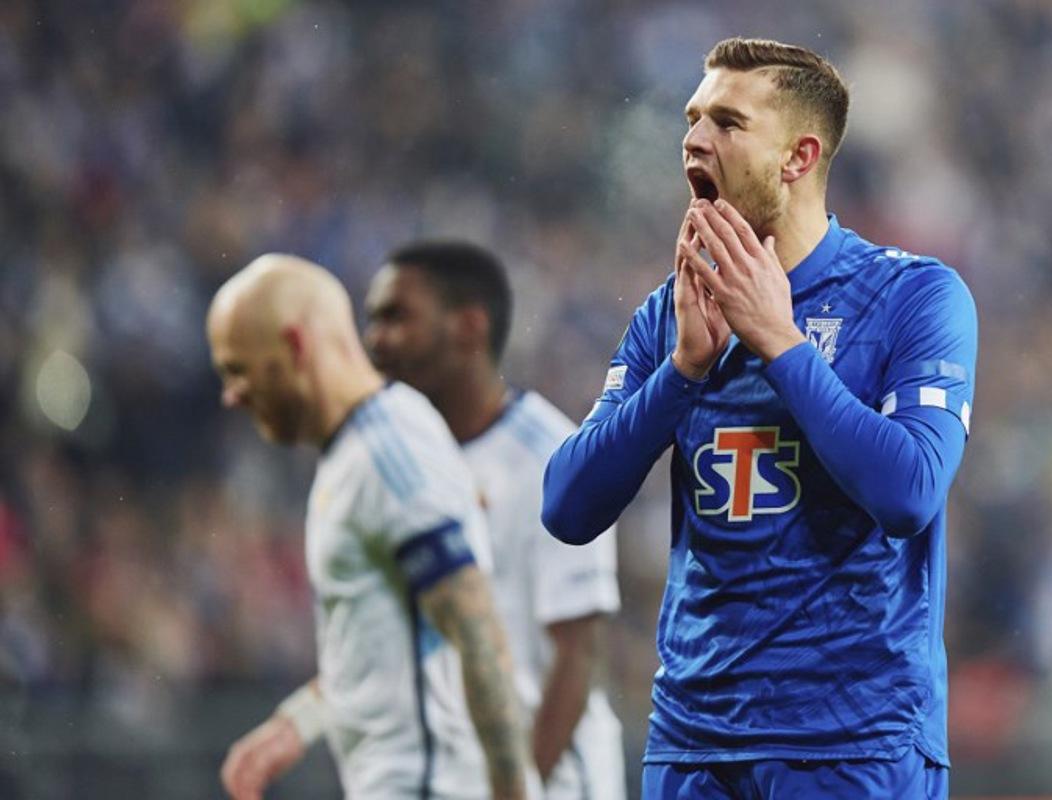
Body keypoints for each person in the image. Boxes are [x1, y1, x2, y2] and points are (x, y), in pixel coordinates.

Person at [541, 37, 977, 800]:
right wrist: (681, 375)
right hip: (693, 742)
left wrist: (780, 342)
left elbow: (910, 491)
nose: (694, 139)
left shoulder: (915, 298)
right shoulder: (669, 318)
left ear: (799, 158)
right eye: (693, 117)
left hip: (853, 742)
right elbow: (566, 507)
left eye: (727, 122)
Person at [206, 254, 535, 800]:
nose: (232, 395)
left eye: (239, 369)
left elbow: (478, 632)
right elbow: (388, 642)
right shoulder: (358, 450)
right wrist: (298, 722)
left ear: (294, 345)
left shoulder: (387, 456)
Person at [364, 241, 625, 799]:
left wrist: (517, 789)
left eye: (396, 317)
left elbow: (577, 657)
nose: (375, 340)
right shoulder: (399, 463)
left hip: (553, 783)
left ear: (468, 327)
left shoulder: (553, 459)